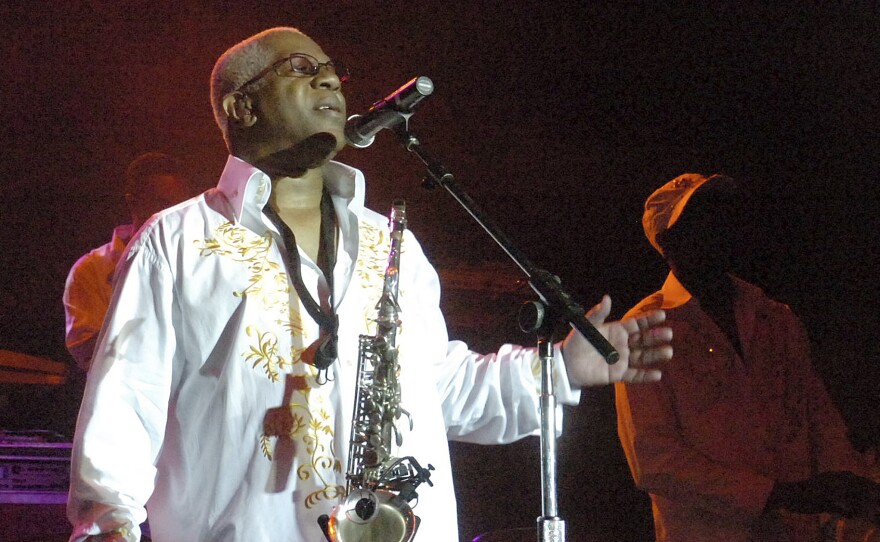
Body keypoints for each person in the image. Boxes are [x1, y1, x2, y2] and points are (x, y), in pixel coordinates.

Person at [66, 27, 673, 542]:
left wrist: (562, 370)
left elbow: (441, 388)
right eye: (301, 69)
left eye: (333, 71)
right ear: (242, 107)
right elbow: (125, 402)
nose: (330, 81)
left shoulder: (390, 241)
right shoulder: (177, 241)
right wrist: (107, 526)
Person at [614, 172, 880, 541]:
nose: (718, 227)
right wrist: (778, 495)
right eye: (699, 219)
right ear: (667, 241)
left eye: (721, 213)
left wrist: (851, 488)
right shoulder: (640, 332)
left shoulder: (776, 319)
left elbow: (820, 419)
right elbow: (655, 460)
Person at [63, 152, 193, 371]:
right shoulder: (90, 271)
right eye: (163, 204)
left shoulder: (197, 262)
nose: (175, 215)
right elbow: (90, 354)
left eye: (181, 206)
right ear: (133, 203)